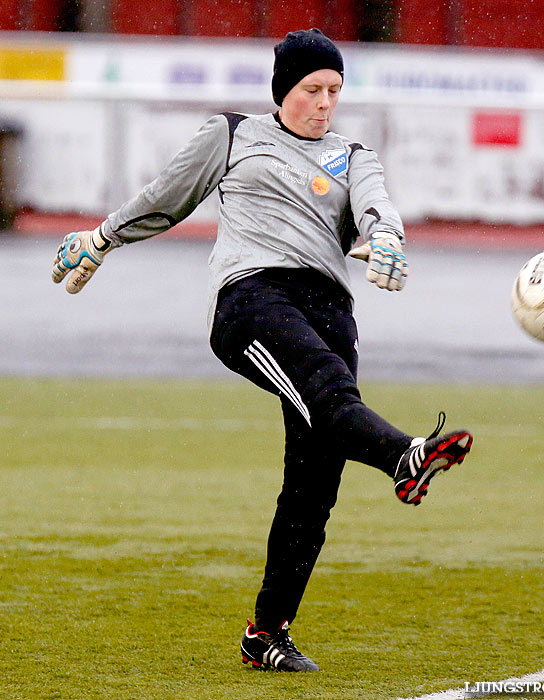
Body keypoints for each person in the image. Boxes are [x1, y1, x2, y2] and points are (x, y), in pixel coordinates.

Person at [51, 28, 473, 672]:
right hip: (253, 300)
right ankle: (403, 456)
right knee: (331, 398)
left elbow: (375, 204)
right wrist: (103, 238)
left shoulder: (353, 154)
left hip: (331, 315)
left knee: (313, 485)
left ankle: (267, 635)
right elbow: (166, 198)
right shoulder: (233, 133)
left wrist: (386, 235)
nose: (325, 102)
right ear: (283, 91)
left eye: (335, 90)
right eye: (312, 89)